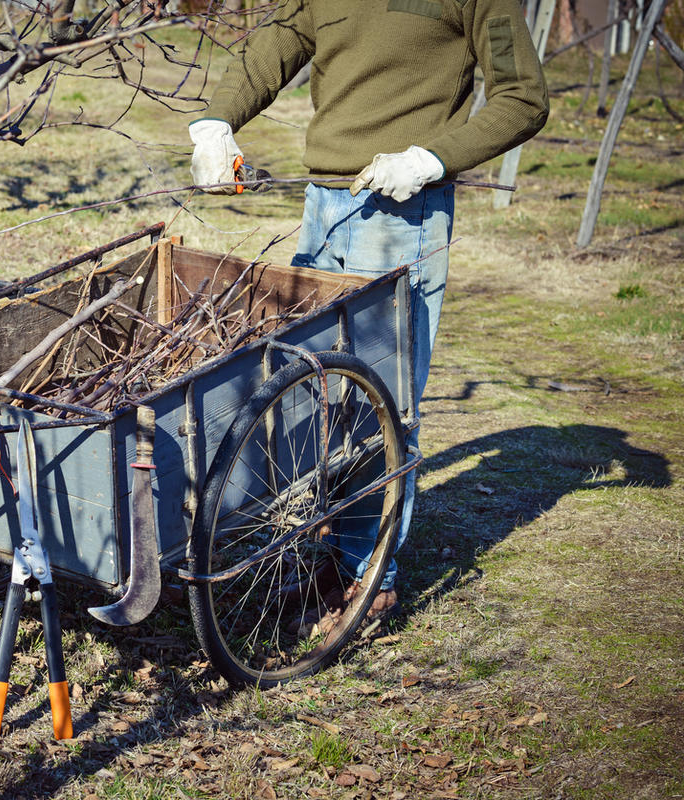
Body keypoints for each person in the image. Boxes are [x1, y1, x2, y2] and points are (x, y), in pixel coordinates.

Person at [189, 0, 549, 619]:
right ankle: (317, 553)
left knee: (377, 400)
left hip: (403, 206)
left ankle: (367, 574)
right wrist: (217, 121)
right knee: (308, 387)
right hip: (323, 202)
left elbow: (524, 97)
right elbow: (277, 40)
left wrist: (431, 158)